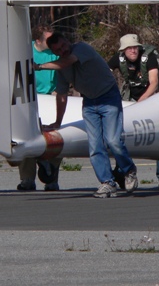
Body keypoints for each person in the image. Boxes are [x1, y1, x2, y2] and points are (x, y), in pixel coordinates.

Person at [36, 33, 138, 198]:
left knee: (113, 140)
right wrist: (57, 122)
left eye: (63, 46)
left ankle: (129, 170)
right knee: (95, 146)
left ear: (67, 41)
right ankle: (107, 182)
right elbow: (61, 96)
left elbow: (69, 61)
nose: (63, 50)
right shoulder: (61, 70)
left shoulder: (82, 48)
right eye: (58, 50)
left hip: (108, 97)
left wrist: (39, 66)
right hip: (90, 102)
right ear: (54, 53)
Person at [108, 33, 159, 189]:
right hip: (131, 98)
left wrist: (141, 103)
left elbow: (154, 82)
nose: (133, 51)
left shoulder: (149, 57)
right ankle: (121, 171)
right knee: (121, 134)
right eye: (129, 48)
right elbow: (104, 74)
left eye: (135, 47)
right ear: (123, 50)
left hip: (152, 97)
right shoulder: (118, 58)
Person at [17, 25, 63, 191]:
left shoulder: (56, 52)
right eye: (49, 40)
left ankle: (51, 178)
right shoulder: (25, 51)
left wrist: (59, 91)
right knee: (26, 138)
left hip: (51, 98)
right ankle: (27, 179)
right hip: (30, 99)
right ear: (38, 41)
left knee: (55, 136)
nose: (54, 43)